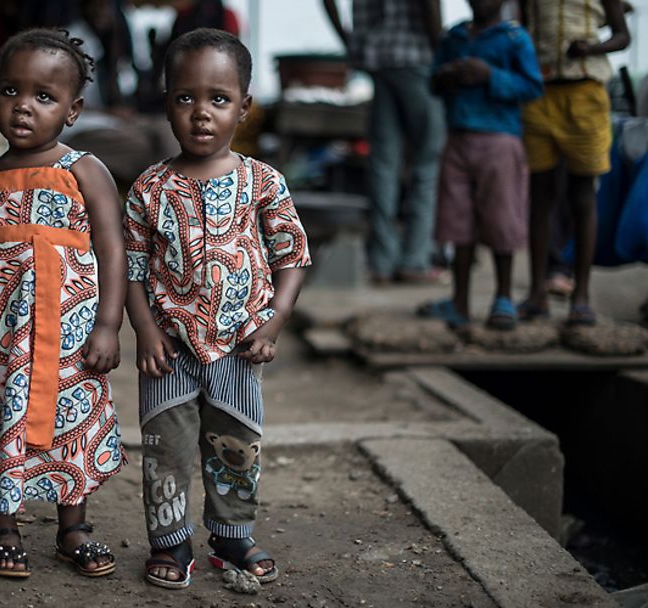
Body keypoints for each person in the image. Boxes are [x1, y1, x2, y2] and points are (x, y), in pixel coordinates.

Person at [124, 28, 311, 589]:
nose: (201, 113)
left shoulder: (263, 182)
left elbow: (293, 257)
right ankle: (171, 543)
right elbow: (132, 269)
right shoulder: (149, 189)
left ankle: (232, 538)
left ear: (244, 107)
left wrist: (274, 321)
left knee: (236, 447)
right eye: (185, 98)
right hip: (169, 350)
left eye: (219, 99)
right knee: (168, 451)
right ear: (167, 105)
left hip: (238, 346)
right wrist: (145, 331)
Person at [0, 28, 127, 579]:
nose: (23, 106)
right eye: (9, 91)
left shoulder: (85, 171)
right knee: (3, 419)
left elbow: (114, 249)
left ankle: (73, 527)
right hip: (3, 342)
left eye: (43, 97)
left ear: (72, 111)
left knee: (71, 423)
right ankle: (3, 527)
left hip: (70, 333)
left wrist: (109, 326)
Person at [417, 0, 543, 329]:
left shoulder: (515, 39)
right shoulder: (454, 37)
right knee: (458, 222)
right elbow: (433, 81)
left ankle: (503, 298)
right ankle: (459, 301)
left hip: (500, 140)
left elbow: (532, 87)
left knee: (502, 218)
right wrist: (447, 77)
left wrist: (490, 76)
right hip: (457, 137)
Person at [517, 0, 630, 326]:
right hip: (540, 95)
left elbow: (623, 36)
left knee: (582, 197)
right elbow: (526, 29)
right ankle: (537, 292)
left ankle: (581, 296)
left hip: (585, 95)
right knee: (540, 199)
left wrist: (592, 48)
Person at [322, 0, 446, 284]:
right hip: (416, 55)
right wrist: (442, 50)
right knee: (427, 162)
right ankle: (415, 260)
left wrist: (349, 41)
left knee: (383, 164)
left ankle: (381, 261)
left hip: (376, 58)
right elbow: (430, 6)